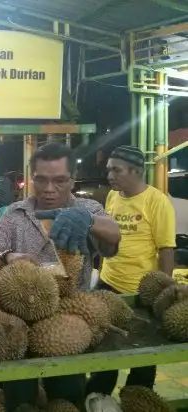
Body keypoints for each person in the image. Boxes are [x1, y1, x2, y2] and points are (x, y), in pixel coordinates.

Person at [0, 142, 121, 410]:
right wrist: (8, 256)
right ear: (32, 179)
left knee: (66, 398)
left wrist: (89, 221)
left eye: (59, 180)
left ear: (72, 180)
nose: (49, 189)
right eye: (41, 180)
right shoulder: (16, 213)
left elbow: (113, 240)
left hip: (70, 322)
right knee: (20, 402)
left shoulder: (87, 208)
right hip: (20, 323)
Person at [86, 145, 176, 396]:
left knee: (143, 358)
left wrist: (164, 294)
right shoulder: (113, 197)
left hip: (142, 290)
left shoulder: (157, 201)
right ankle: (97, 396)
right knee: (104, 352)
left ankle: (137, 398)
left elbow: (166, 250)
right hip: (108, 286)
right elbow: (108, 242)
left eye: (116, 170)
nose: (110, 175)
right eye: (108, 170)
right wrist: (100, 272)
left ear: (136, 170)